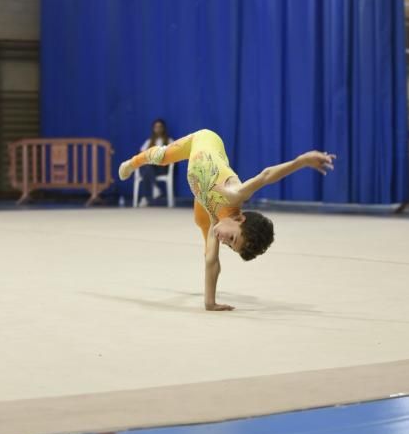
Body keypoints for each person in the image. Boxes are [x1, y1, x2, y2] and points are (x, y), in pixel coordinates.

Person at [119, 129, 336, 311]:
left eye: (230, 246)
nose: (225, 241)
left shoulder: (218, 222)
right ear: (240, 218)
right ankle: (132, 162)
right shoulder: (235, 193)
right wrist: (302, 161)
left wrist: (210, 303)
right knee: (162, 157)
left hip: (204, 198)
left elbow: (212, 262)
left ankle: (204, 229)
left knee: (204, 230)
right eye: (232, 238)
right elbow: (266, 175)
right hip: (205, 140)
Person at [137, 119, 174, 207]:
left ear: (163, 128)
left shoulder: (169, 141)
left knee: (147, 169)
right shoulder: (148, 142)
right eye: (156, 127)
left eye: (160, 127)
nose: (158, 129)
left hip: (162, 167)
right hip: (150, 166)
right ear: (153, 129)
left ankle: (145, 198)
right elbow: (141, 155)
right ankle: (155, 188)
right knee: (147, 168)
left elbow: (173, 155)